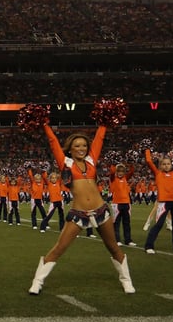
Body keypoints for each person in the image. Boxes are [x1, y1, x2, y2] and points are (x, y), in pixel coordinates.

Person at [28, 122, 135, 295]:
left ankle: (126, 281)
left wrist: (104, 121)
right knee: (59, 248)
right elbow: (53, 141)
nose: (81, 148)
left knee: (113, 246)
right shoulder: (66, 163)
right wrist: (46, 124)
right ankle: (37, 282)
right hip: (78, 213)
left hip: (101, 211)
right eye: (77, 146)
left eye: (84, 145)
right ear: (70, 149)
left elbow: (100, 137)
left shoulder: (91, 160)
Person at [143, 146, 173, 255]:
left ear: (171, 164)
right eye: (164, 164)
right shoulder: (158, 173)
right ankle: (149, 245)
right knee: (158, 224)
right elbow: (149, 161)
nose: (166, 166)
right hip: (163, 202)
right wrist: (147, 149)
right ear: (160, 166)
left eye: (168, 164)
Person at [109, 163, 137, 247]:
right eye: (119, 171)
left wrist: (131, 164)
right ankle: (117, 240)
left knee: (126, 223)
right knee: (116, 223)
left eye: (122, 171)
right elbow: (112, 172)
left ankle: (128, 240)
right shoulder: (113, 179)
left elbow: (131, 172)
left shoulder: (125, 178)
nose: (120, 173)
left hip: (126, 203)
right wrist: (113, 165)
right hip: (116, 204)